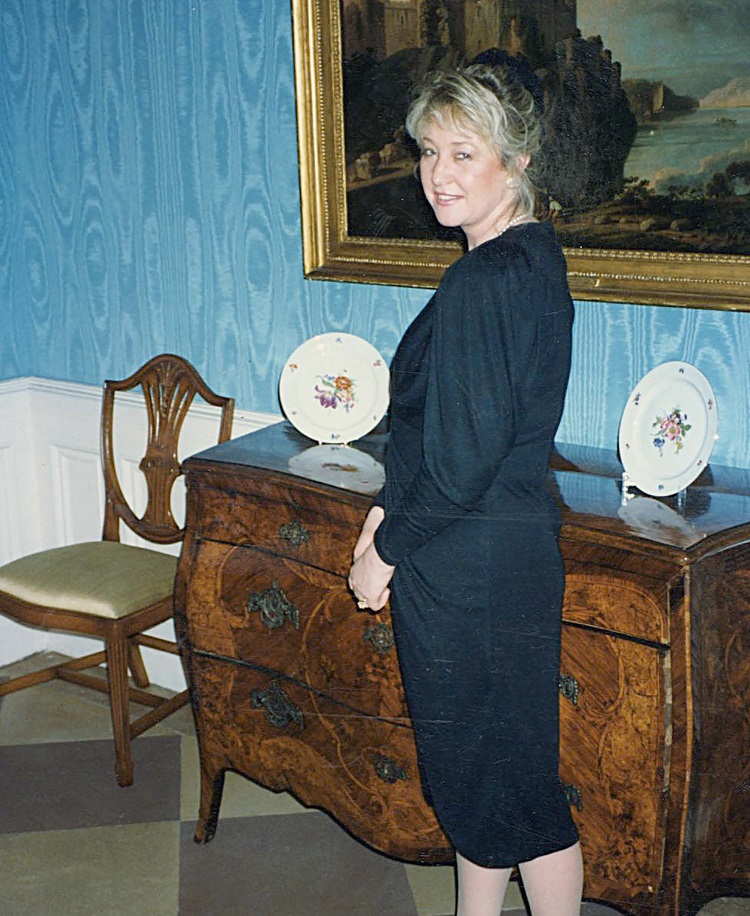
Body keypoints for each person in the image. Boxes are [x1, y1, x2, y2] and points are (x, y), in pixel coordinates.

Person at [348, 52, 584, 916]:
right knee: (494, 779)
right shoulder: (535, 258)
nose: (437, 174)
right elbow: (453, 438)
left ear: (516, 161)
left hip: (468, 565)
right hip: (504, 552)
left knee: (504, 787)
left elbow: (461, 464)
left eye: (463, 153)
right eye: (428, 151)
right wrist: (384, 508)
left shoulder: (483, 279)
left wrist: (385, 554)